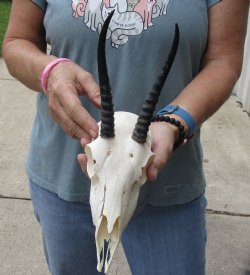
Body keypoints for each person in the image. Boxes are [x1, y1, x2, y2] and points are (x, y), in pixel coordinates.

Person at [2, 1, 249, 274]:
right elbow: (17, 42)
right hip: (66, 177)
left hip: (166, 186)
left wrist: (174, 122)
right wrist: (49, 72)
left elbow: (223, 60)